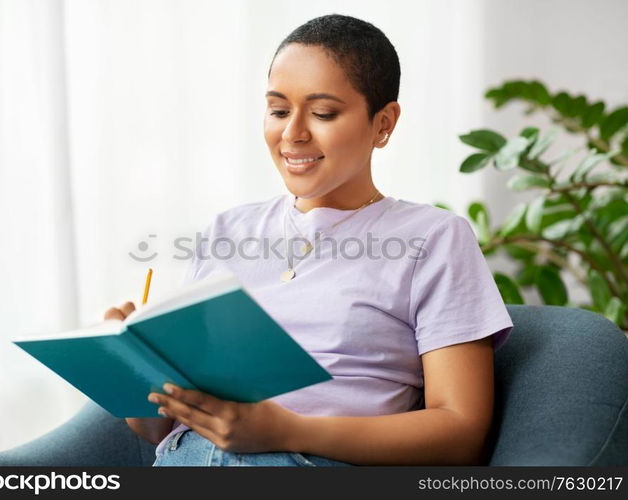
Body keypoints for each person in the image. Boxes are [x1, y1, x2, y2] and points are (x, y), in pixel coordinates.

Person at [110, 13, 513, 467]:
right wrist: (136, 372)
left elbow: (461, 434)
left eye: (322, 113)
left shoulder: (434, 238)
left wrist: (287, 429)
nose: (292, 133)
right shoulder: (227, 231)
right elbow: (157, 430)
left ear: (383, 123)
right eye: (279, 110)